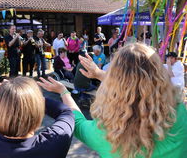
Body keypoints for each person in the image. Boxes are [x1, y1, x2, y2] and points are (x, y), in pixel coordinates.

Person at [39, 43, 187, 158]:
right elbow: (139, 87)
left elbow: (77, 123)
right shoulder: (179, 113)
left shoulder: (105, 132)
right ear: (159, 73)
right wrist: (99, 74)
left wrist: (63, 92)